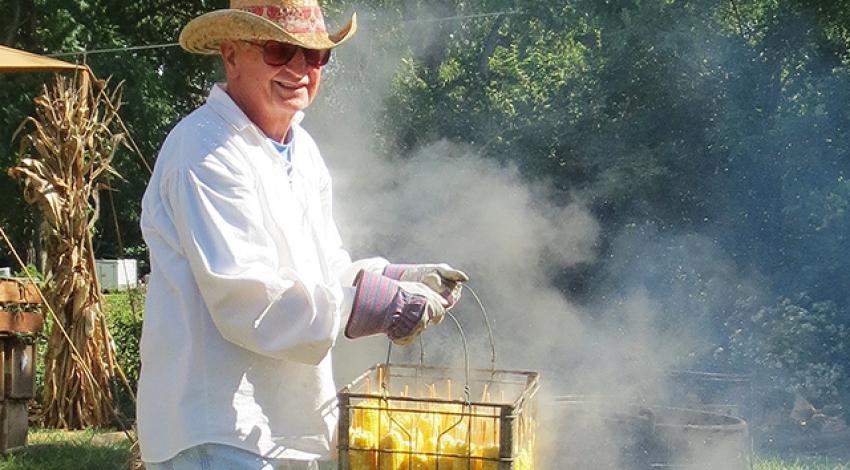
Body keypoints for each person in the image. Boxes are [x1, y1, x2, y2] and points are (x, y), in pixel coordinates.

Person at [137, 1, 468, 469]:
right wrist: (375, 304)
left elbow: (325, 270)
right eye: (278, 50)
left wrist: (397, 278)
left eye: (315, 57)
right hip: (217, 433)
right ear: (231, 55)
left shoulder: (301, 148)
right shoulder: (205, 149)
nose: (300, 69)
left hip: (282, 429)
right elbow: (247, 300)